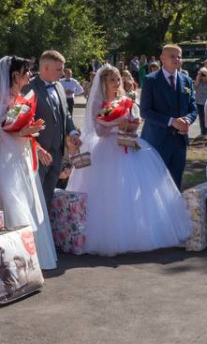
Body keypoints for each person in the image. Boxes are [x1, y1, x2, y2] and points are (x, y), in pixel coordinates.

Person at [67, 65, 191, 255]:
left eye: (118, 79)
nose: (116, 83)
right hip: (107, 149)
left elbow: (134, 127)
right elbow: (99, 131)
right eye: (112, 80)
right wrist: (117, 123)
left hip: (128, 145)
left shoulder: (126, 101)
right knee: (109, 193)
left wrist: (131, 126)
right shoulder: (98, 104)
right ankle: (110, 234)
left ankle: (137, 230)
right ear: (104, 83)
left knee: (133, 190)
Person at [0, 56, 57, 270]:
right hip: (9, 160)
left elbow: (18, 131)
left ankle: (32, 258)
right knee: (14, 202)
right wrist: (22, 131)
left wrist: (35, 144)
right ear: (15, 75)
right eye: (26, 71)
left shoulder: (19, 98)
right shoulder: (3, 100)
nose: (30, 75)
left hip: (23, 157)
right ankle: (15, 260)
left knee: (27, 201)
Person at [23, 50, 81, 212]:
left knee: (48, 197)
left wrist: (73, 133)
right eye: (58, 70)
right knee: (34, 198)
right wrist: (36, 147)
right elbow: (22, 122)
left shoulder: (59, 86)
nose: (62, 73)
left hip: (57, 153)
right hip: (38, 154)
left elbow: (66, 114)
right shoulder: (29, 88)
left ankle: (45, 233)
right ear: (45, 68)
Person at [139, 44, 197, 189]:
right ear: (162, 58)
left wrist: (187, 120)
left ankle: (173, 211)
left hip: (179, 142)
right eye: (172, 56)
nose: (177, 59)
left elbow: (193, 108)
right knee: (154, 185)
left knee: (175, 184)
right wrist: (172, 122)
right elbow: (145, 111)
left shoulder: (187, 81)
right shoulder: (150, 80)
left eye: (179, 56)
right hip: (157, 140)